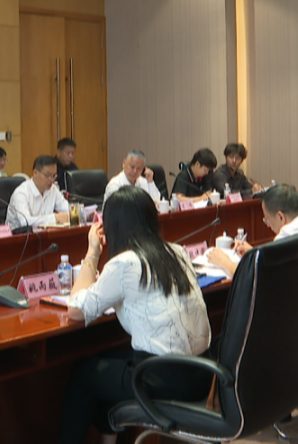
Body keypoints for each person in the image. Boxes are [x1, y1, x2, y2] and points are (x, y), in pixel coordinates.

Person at [59, 187, 211, 444]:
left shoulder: (125, 263)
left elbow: (76, 309)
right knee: (106, 362)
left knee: (83, 374)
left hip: (164, 378)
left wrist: (93, 251)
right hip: (202, 372)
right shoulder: (176, 251)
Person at [206, 184, 298, 303]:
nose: (267, 224)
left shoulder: (288, 233)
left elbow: (255, 279)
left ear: (280, 216)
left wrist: (224, 262)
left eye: (267, 219)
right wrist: (254, 252)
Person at [7, 155, 70, 228]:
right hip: (19, 234)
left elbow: (67, 209)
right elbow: (25, 222)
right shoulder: (21, 193)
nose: (52, 180)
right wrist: (55, 218)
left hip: (44, 233)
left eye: (54, 176)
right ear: (35, 172)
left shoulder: (53, 189)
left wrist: (77, 212)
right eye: (48, 175)